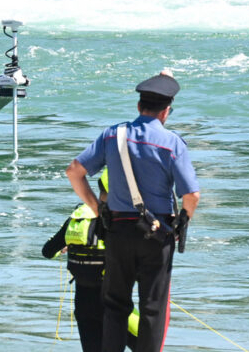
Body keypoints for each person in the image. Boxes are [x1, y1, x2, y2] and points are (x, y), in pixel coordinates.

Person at [65, 70, 200, 352]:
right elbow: (191, 195)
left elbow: (74, 171)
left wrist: (96, 207)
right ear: (166, 112)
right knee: (153, 308)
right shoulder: (172, 143)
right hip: (156, 233)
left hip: (117, 229)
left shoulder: (113, 134)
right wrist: (182, 222)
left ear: (139, 106)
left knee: (115, 304)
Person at [42, 170, 138, 352]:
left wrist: (68, 247)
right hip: (113, 303)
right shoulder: (122, 220)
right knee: (148, 343)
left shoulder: (78, 216)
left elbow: (47, 251)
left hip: (83, 303)